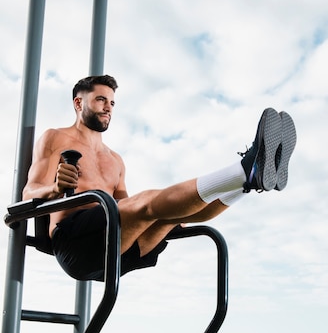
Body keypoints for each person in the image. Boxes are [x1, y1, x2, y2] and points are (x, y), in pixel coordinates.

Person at [23, 75, 297, 281]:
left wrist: (166, 214)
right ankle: (244, 168)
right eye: (101, 100)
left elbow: (125, 208)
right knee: (148, 202)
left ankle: (247, 183)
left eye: (112, 102)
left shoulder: (114, 159)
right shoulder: (55, 138)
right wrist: (55, 188)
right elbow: (29, 192)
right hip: (75, 244)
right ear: (78, 103)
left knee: (172, 215)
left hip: (118, 252)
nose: (108, 107)